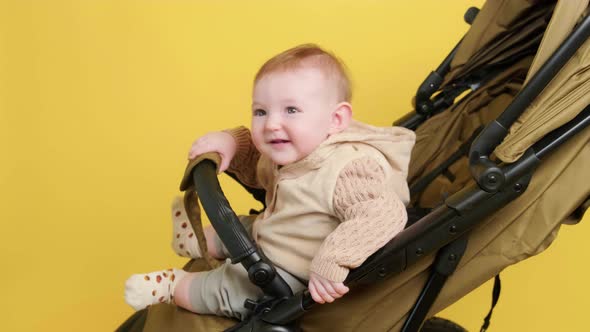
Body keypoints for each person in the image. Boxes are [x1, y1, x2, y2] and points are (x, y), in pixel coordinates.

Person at [124, 43, 415, 320]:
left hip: (297, 269)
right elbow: (257, 166)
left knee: (230, 288)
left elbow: (383, 214)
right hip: (283, 230)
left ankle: (174, 286)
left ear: (336, 120)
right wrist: (230, 142)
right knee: (245, 228)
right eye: (261, 111)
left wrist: (335, 260)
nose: (272, 124)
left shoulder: (349, 169)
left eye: (291, 110)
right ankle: (194, 239)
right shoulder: (297, 149)